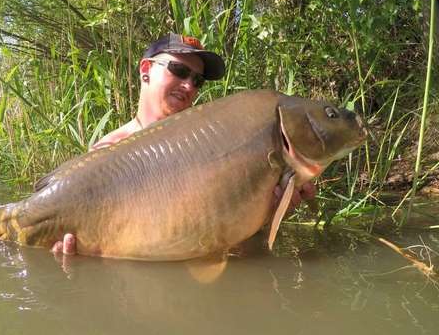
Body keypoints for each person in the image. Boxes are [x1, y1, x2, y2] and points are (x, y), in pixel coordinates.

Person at [51, 33, 315, 256]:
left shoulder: (216, 146)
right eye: (179, 71)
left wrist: (270, 211)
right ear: (146, 70)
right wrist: (72, 256)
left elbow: (232, 240)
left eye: (197, 80)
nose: (189, 85)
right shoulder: (106, 154)